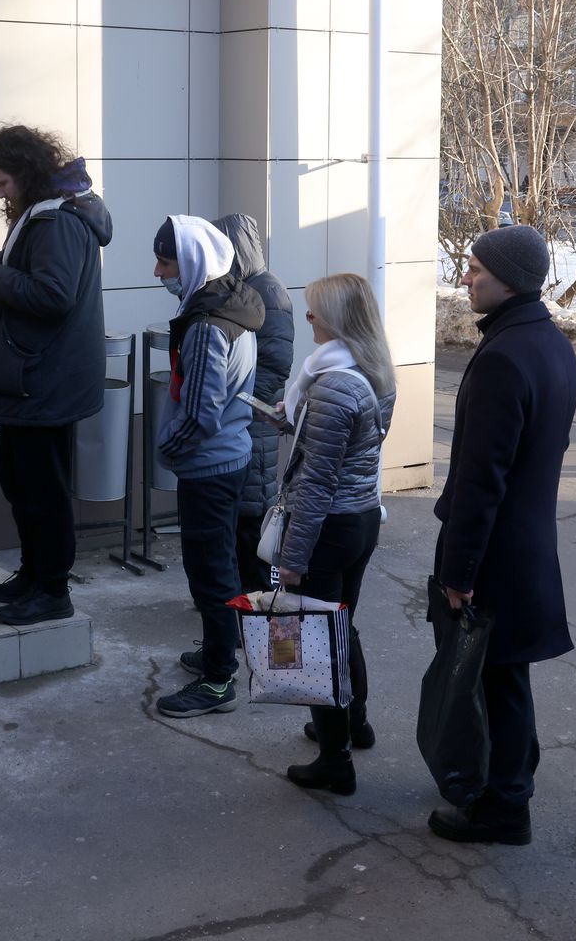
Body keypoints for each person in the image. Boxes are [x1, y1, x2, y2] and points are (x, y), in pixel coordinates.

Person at [427, 223, 576, 846]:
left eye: (476, 270)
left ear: (509, 280)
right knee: (505, 676)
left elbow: (480, 479)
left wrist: (459, 573)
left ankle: (505, 805)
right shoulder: (550, 343)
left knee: (495, 679)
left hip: (496, 554)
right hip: (526, 545)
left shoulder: (504, 356)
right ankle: (504, 782)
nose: (466, 278)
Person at [0, 126, 113, 626]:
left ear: (26, 175)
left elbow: (53, 295)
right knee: (20, 480)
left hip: (43, 380)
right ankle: (33, 574)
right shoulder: (50, 214)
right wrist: (2, 263)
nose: (0, 194)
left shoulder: (56, 221)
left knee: (42, 490)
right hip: (36, 377)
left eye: (3, 183)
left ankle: (52, 590)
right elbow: (44, 280)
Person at [271, 273, 394, 796]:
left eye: (315, 310)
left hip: (328, 528)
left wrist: (292, 558)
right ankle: (353, 725)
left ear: (339, 319)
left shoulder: (332, 385)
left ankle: (334, 761)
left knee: (318, 640)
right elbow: (353, 448)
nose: (308, 317)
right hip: (361, 518)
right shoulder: (373, 370)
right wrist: (296, 421)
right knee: (343, 627)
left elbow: (318, 482)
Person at [153, 215, 264, 718]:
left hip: (209, 467)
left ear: (193, 262)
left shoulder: (205, 326)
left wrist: (167, 449)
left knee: (210, 574)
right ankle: (219, 649)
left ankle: (218, 680)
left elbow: (200, 413)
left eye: (166, 262)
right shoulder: (232, 304)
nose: (159, 272)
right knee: (220, 566)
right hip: (230, 457)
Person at [212, 213, 293, 594]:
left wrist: (235, 400)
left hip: (254, 421)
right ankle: (235, 599)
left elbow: (275, 365)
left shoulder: (268, 291)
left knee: (252, 518)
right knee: (237, 520)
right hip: (243, 419)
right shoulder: (239, 287)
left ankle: (257, 604)